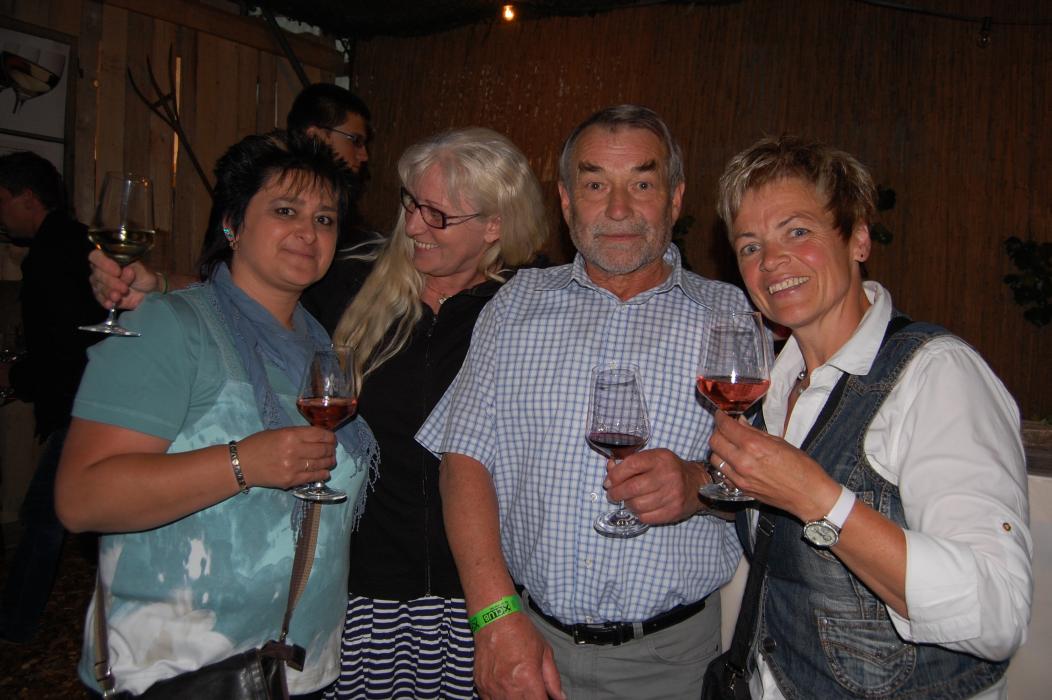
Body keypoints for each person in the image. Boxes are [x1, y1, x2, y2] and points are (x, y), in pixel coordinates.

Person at [416, 105, 754, 699]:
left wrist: (699, 484)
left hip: (673, 663)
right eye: (596, 185)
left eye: (642, 185)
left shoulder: (730, 315)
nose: (618, 209)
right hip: (529, 642)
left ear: (675, 199)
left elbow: (772, 487)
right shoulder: (515, 305)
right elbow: (462, 462)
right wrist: (495, 621)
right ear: (567, 202)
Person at [707, 135, 1033, 699]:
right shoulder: (771, 389)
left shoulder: (937, 375)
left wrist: (818, 499)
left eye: (798, 232)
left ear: (858, 238)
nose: (772, 261)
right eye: (750, 245)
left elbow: (998, 611)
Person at [54, 131, 376, 698]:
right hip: (179, 672)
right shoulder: (167, 326)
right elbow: (82, 499)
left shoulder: (318, 345)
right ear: (232, 224)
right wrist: (242, 463)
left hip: (300, 668)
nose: (309, 231)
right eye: (285, 211)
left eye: (325, 219)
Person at [321, 127, 547, 699]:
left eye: (437, 215)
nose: (414, 226)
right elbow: (256, 299)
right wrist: (159, 286)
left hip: (484, 596)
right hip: (363, 590)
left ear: (494, 226)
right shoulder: (350, 280)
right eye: (411, 203)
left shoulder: (529, 307)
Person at [88, 82, 375, 330]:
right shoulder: (251, 190)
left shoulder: (317, 338)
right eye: (355, 140)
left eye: (324, 220)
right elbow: (225, 287)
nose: (363, 155)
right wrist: (160, 287)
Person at [0, 151, 106, 643]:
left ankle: (14, 625)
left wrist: (18, 377)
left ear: (27, 198)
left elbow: (67, 343)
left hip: (84, 402)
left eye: (2, 201)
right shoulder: (69, 242)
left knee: (45, 515)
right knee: (57, 514)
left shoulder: (56, 252)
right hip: (84, 399)